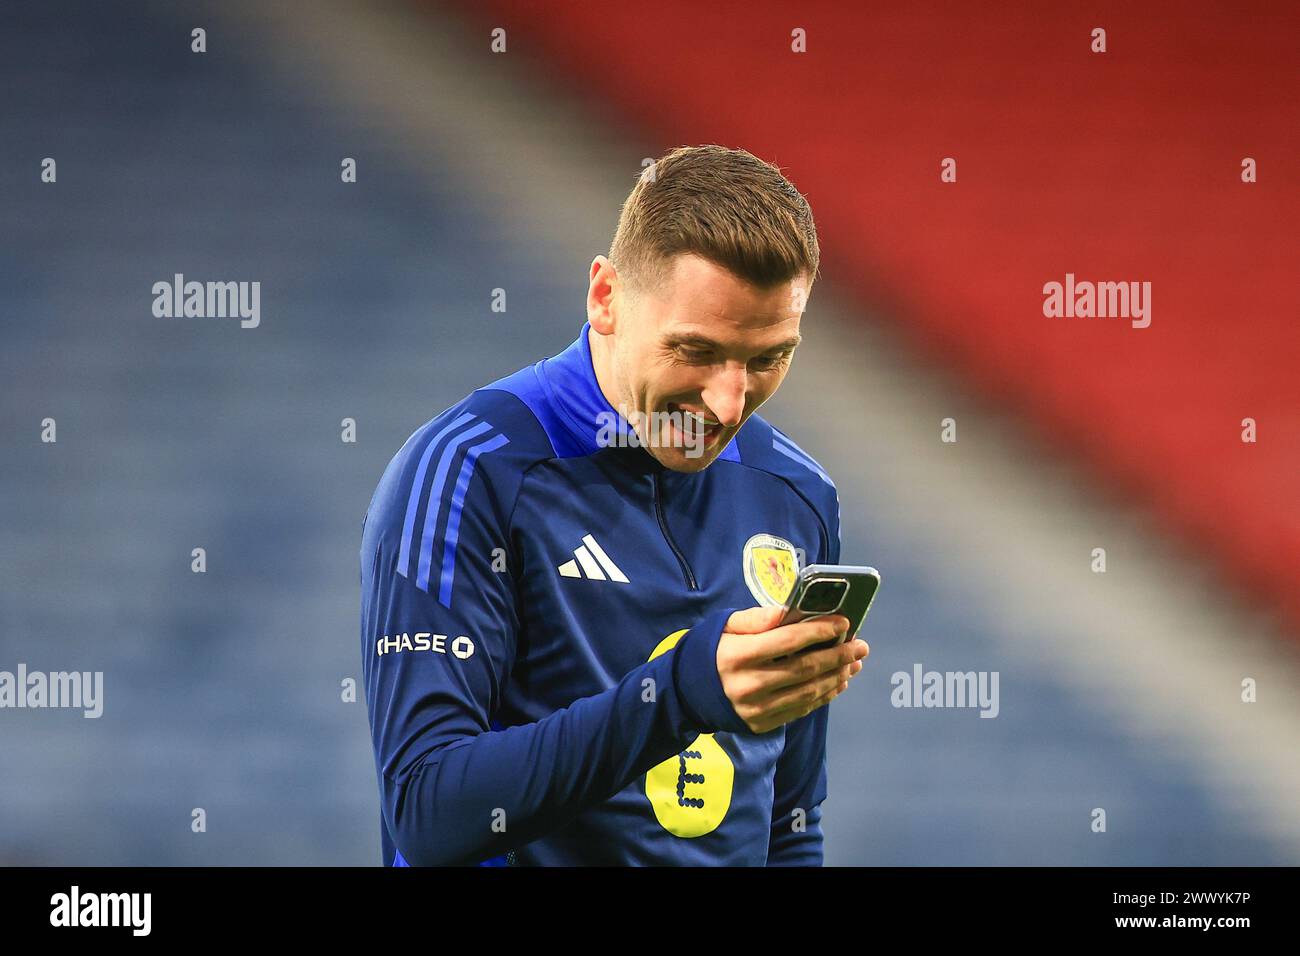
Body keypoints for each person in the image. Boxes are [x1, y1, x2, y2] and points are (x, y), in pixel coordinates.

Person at [360, 145, 870, 866]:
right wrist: (682, 693)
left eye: (767, 359)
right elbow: (428, 810)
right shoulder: (471, 469)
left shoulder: (797, 497)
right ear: (605, 298)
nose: (728, 404)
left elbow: (789, 821)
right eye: (696, 351)